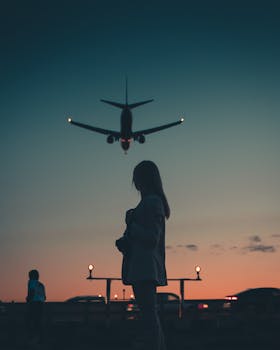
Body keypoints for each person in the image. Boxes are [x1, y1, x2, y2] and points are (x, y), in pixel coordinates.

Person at [116, 160, 169, 350]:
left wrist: (132, 223)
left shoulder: (152, 202)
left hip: (145, 267)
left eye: (137, 178)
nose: (135, 183)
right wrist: (126, 241)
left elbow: (151, 238)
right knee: (149, 316)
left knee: (149, 317)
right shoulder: (150, 203)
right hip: (144, 267)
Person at [26, 269, 46, 345]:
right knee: (38, 322)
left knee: (29, 321)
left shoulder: (31, 282)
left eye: (29, 276)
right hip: (41, 305)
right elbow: (44, 297)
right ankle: (40, 339)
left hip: (33, 304)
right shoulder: (41, 284)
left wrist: (28, 299)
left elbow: (31, 293)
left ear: (31, 276)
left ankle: (32, 339)